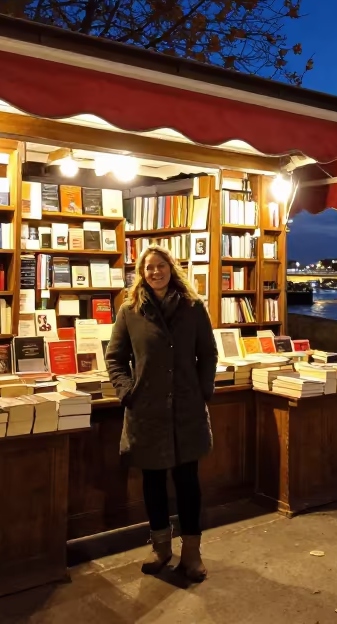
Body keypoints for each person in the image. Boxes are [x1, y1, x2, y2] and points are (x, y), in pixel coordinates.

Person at [106, 245, 217, 581]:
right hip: (147, 411)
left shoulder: (194, 307)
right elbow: (115, 358)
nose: (155, 272)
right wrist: (128, 393)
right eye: (149, 268)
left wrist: (201, 393)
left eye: (161, 266)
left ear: (172, 268)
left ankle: (192, 555)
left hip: (186, 411)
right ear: (142, 273)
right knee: (153, 483)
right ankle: (160, 549)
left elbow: (208, 355)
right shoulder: (130, 310)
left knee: (188, 484)